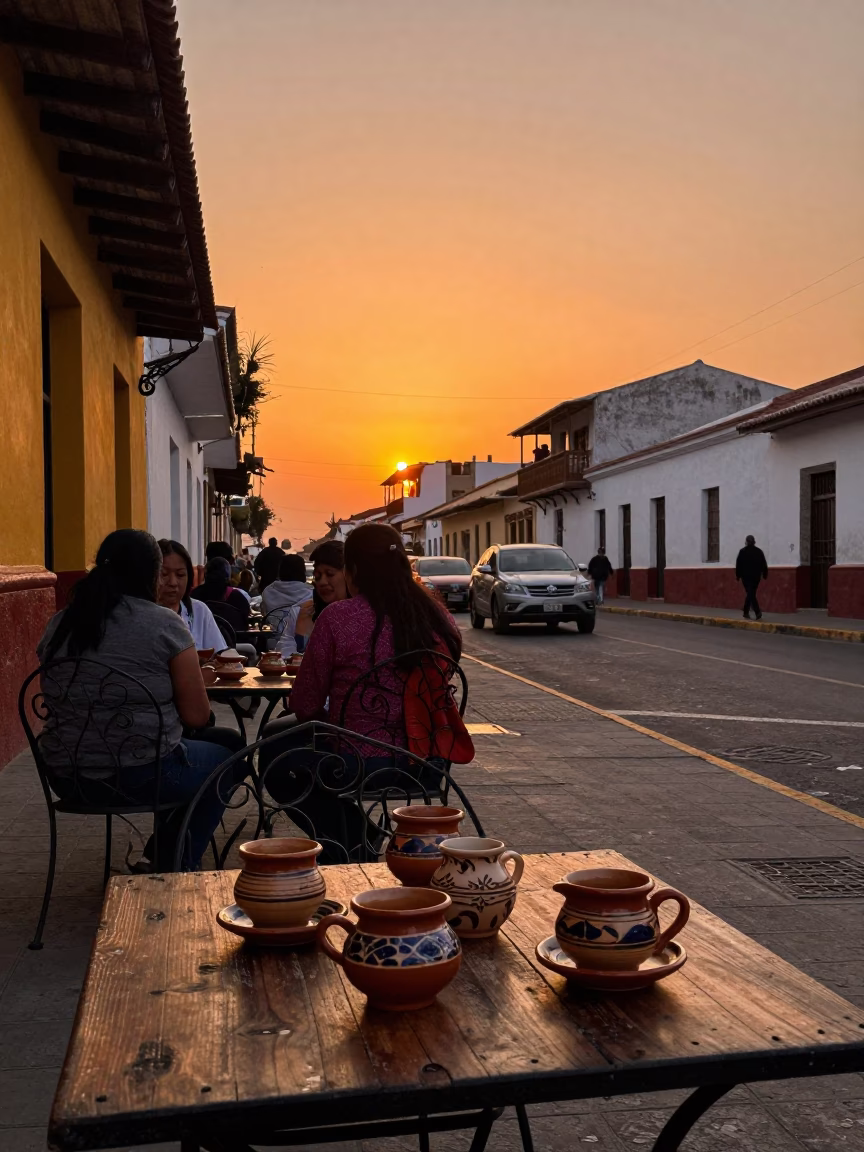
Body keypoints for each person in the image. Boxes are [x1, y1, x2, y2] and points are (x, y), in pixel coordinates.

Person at [36, 529, 235, 870]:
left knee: (208, 748)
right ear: (150, 574)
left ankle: (162, 857)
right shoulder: (163, 623)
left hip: (66, 775)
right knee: (228, 758)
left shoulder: (60, 622)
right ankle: (174, 865)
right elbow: (198, 718)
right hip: (139, 775)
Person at [158, 539, 227, 652]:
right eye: (164, 574)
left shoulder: (199, 611)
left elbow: (220, 655)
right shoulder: (140, 616)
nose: (173, 582)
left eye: (180, 575)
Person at [294, 539, 348, 646]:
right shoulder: (306, 611)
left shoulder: (366, 616)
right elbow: (285, 651)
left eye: (330, 574)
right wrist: (302, 632)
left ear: (349, 575)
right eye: (317, 576)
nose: (322, 582)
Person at [260, 554, 314, 657]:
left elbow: (264, 614)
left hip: (272, 641)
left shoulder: (268, 591)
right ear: (302, 571)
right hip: (302, 642)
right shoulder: (311, 593)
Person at [191, 557, 251, 628]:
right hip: (235, 639)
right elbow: (246, 624)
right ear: (228, 578)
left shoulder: (193, 596)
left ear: (205, 575)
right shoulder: (239, 599)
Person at [735, 534, 769, 620]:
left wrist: (738, 576)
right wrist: (765, 574)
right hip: (756, 577)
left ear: (746, 542)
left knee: (750, 593)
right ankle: (747, 612)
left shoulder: (742, 551)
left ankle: (756, 612)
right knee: (751, 593)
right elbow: (764, 564)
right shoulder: (759, 551)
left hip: (745, 578)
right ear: (754, 542)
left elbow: (738, 565)